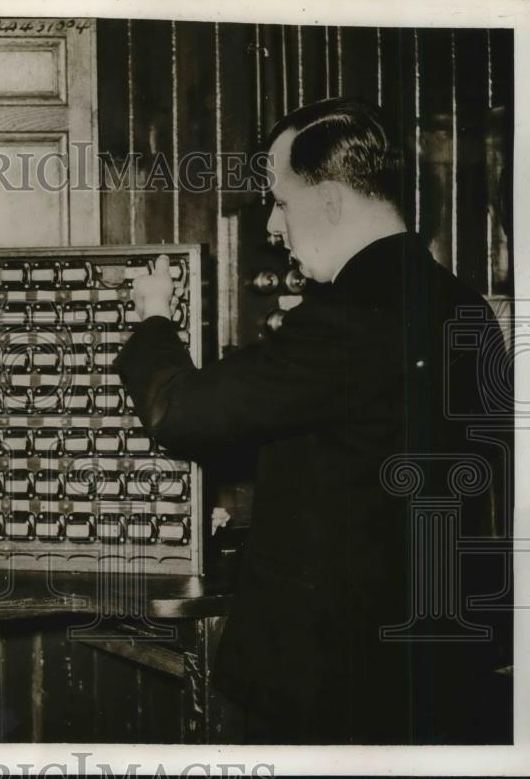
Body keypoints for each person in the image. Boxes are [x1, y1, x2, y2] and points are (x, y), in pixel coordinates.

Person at [115, 98, 513, 744]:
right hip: (440, 667)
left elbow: (178, 410)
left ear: (329, 202)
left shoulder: (342, 319)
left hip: (340, 683)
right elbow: (363, 450)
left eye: (280, 199)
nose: (274, 224)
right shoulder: (463, 306)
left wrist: (155, 318)